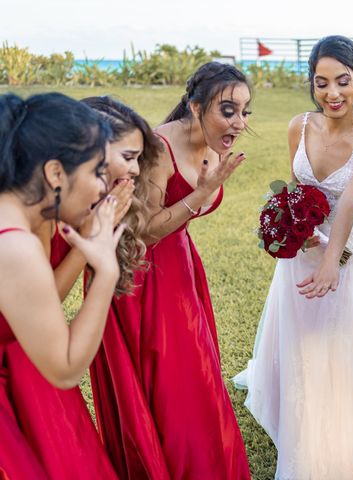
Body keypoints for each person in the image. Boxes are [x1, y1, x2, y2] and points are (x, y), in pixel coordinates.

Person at [235, 35, 353, 479]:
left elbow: (349, 203)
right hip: (302, 255)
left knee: (349, 350)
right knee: (302, 346)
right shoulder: (299, 126)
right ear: (312, 84)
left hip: (350, 256)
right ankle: (302, 421)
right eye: (322, 82)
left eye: (342, 81)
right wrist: (291, 228)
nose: (332, 93)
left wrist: (332, 259)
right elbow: (296, 189)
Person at [91, 63, 252, 478]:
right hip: (142, 275)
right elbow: (141, 231)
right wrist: (199, 193)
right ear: (196, 107)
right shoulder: (160, 147)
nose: (238, 122)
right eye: (228, 110)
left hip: (180, 266)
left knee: (195, 381)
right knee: (173, 386)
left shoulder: (215, 145)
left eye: (245, 112)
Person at [0, 92, 123, 478]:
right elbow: (65, 369)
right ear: (55, 173)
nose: (104, 187)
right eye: (96, 171)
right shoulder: (14, 245)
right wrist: (106, 271)